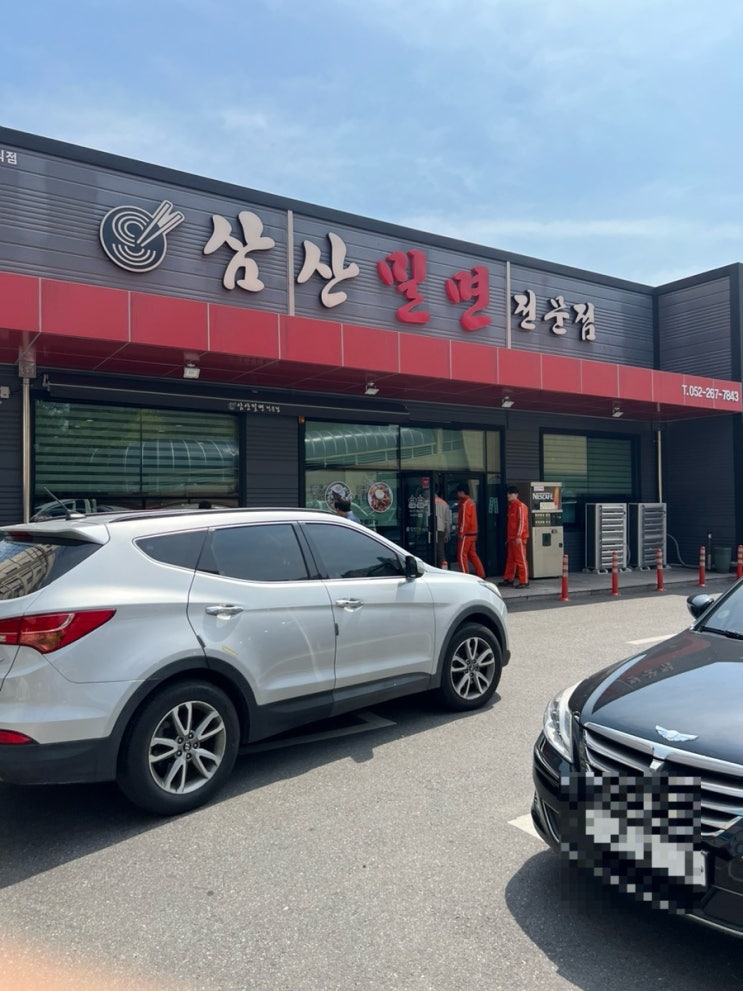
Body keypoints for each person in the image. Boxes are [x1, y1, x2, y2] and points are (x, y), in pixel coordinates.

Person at [500, 485, 529, 587]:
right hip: (512, 538)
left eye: (511, 493)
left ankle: (524, 581)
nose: (508, 495)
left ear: (516, 494)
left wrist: (519, 536)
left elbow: (522, 522)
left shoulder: (520, 506)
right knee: (511, 560)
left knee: (520, 559)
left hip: (518, 538)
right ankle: (509, 578)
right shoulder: (511, 506)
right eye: (508, 493)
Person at [455, 482, 485, 578]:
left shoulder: (465, 504)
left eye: (458, 492)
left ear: (462, 492)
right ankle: (481, 573)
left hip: (466, 534)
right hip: (473, 533)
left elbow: (465, 520)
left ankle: (465, 576)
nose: (457, 494)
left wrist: (461, 532)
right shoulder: (471, 502)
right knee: (472, 554)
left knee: (461, 555)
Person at [434, 487, 452, 569]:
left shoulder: (427, 501)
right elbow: (447, 520)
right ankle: (444, 569)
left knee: (431, 551)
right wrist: (447, 533)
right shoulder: (444, 503)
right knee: (440, 552)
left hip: (429, 529)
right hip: (441, 529)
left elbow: (423, 517)